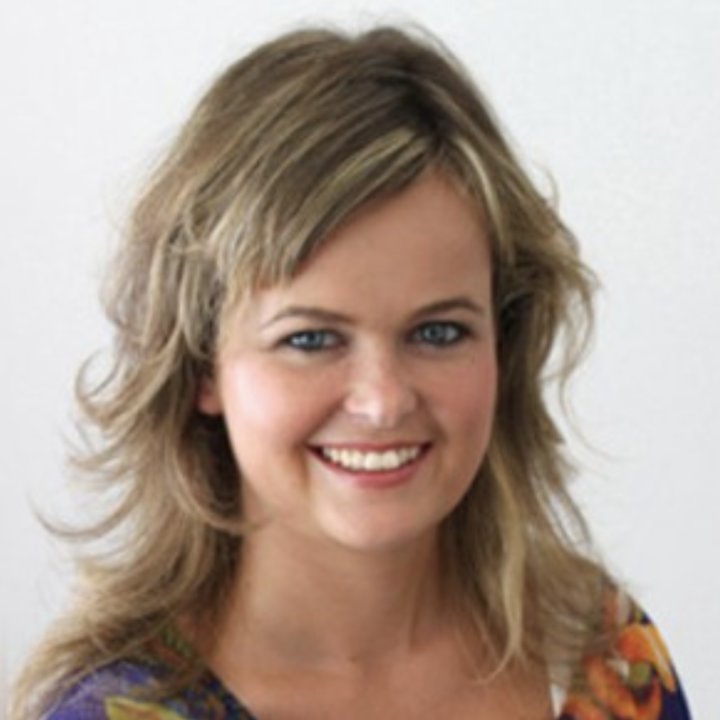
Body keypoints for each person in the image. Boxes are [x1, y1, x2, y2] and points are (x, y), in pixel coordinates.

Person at [10, 25, 691, 720]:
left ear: (504, 343)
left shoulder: (604, 656)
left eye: (438, 332)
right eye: (310, 339)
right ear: (201, 366)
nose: (383, 400)